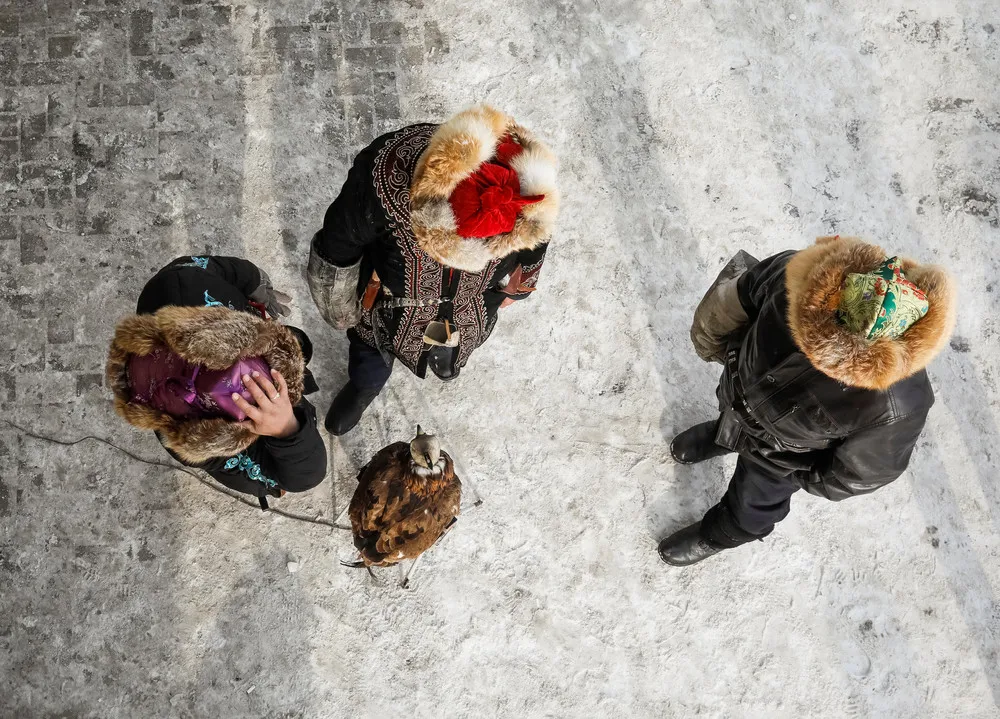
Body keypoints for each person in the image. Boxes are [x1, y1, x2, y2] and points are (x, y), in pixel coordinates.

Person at [658, 236, 955, 565]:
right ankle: (724, 435)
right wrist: (710, 341)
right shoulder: (799, 276)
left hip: (779, 459)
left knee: (751, 509)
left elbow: (861, 473)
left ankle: (717, 534)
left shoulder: (897, 405)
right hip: (736, 394)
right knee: (729, 415)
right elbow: (735, 301)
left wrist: (792, 473)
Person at [307, 105, 559, 434]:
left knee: (455, 342)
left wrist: (522, 284)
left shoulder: (527, 180)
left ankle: (446, 357)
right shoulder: (386, 178)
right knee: (371, 355)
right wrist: (339, 307)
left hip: (472, 304)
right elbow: (338, 245)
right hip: (388, 304)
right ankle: (365, 387)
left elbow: (539, 232)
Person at [106, 255, 327, 509]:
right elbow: (301, 476)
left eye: (254, 360)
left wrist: (253, 278)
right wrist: (286, 430)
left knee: (299, 344)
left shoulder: (179, 283)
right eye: (251, 403)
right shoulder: (197, 439)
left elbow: (212, 267)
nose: (265, 390)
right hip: (267, 437)